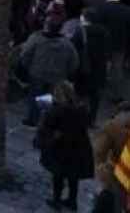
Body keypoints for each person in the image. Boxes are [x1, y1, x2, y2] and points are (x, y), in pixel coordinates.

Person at [38, 81, 93, 211]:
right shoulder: (81, 108)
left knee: (58, 175)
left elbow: (47, 126)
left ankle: (56, 201)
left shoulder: (58, 110)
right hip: (79, 147)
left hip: (61, 147)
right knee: (73, 177)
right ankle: (72, 201)